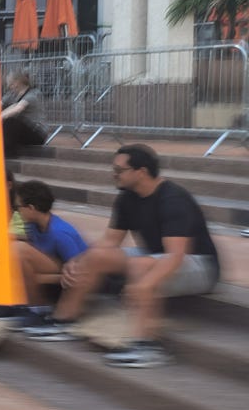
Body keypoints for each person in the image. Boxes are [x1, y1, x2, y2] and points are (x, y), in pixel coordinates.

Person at [24, 144, 219, 367]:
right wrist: (77, 261)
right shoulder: (127, 198)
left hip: (199, 266)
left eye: (119, 170)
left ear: (141, 172)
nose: (114, 175)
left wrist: (144, 286)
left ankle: (147, 345)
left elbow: (175, 256)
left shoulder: (173, 199)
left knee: (141, 266)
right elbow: (109, 243)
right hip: (155, 255)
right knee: (95, 257)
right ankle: (64, 320)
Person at [12, 180, 88, 312]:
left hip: (72, 279)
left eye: (18, 207)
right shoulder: (32, 225)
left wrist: (37, 278)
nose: (17, 212)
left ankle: (38, 308)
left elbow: (80, 274)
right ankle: (24, 304)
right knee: (14, 250)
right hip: (54, 271)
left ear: (31, 208)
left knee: (19, 250)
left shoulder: (60, 233)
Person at [0, 70, 47, 157]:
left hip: (37, 133)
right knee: (7, 122)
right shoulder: (11, 94)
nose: (9, 86)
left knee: (11, 121)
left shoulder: (33, 94)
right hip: (22, 132)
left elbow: (18, 108)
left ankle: (9, 153)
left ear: (18, 82)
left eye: (11, 84)